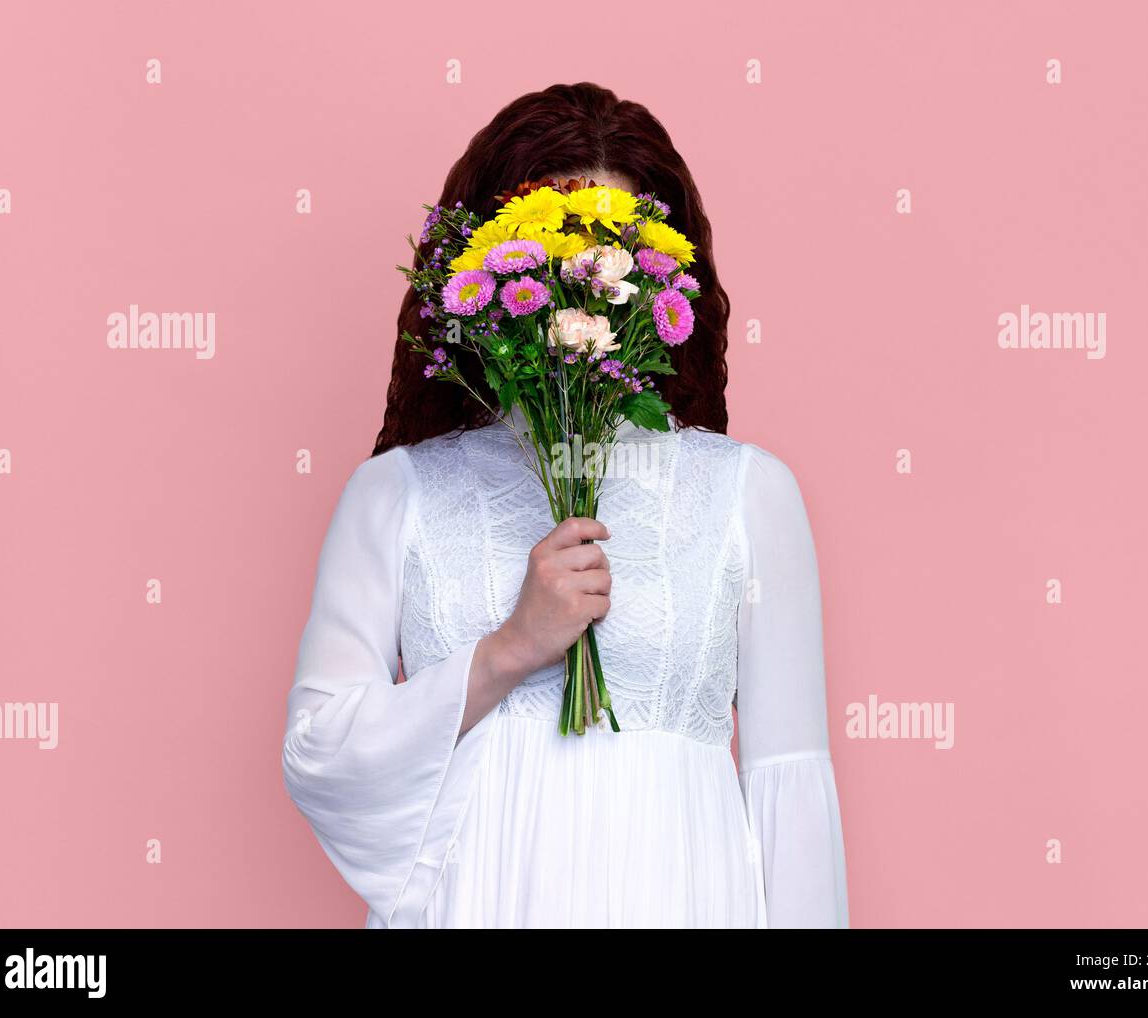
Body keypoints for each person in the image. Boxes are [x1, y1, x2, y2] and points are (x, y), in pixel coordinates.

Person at [280, 82, 849, 929]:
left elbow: (787, 785)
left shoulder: (748, 493)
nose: (583, 292)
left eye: (614, 255)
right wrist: (508, 650)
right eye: (560, 254)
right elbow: (319, 752)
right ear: (490, 270)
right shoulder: (396, 494)